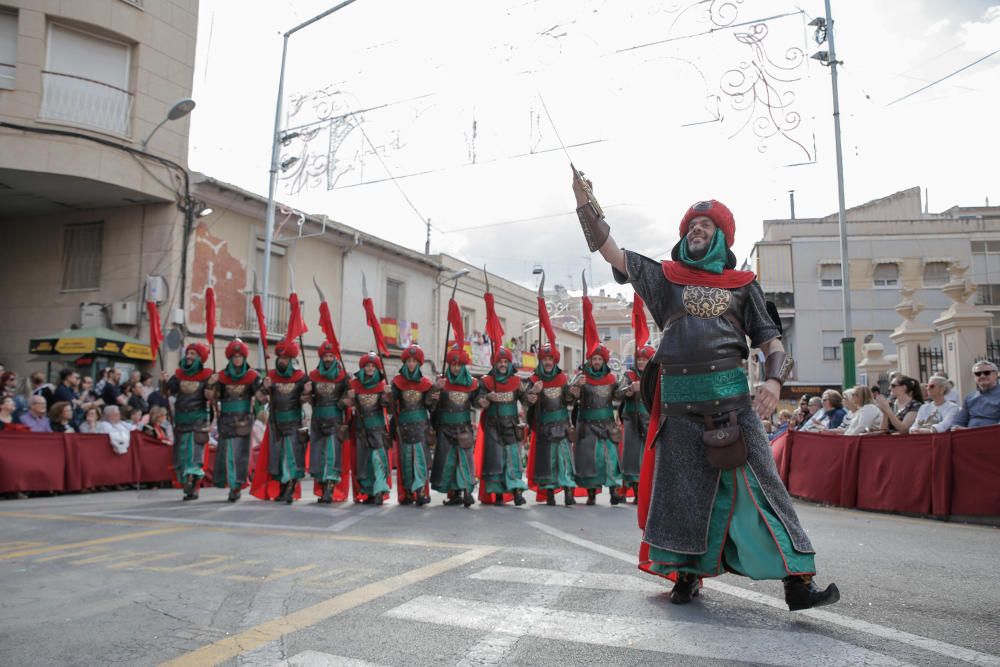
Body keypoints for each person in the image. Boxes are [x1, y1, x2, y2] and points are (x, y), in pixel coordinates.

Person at [575, 177, 837, 611]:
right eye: (692, 224)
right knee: (682, 494)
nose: (696, 230)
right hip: (679, 406)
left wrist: (773, 381)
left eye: (706, 225)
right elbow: (613, 251)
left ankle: (797, 582)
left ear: (721, 237)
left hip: (734, 401)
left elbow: (772, 342)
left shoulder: (743, 284)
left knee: (765, 490)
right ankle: (686, 576)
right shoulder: (664, 279)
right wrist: (586, 207)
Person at [476, 347, 533, 506]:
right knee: (495, 461)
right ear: (495, 363)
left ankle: (516, 492)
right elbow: (477, 400)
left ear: (509, 363)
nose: (502, 364)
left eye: (505, 361)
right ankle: (498, 494)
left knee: (513, 460)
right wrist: (487, 397)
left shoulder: (518, 382)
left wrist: (533, 394)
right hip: (493, 427)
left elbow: (527, 400)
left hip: (511, 427)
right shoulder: (486, 381)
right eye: (500, 362)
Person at [160, 343, 218, 500]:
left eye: (193, 354)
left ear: (200, 357)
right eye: (188, 353)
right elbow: (168, 391)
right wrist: (164, 382)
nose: (189, 356)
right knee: (182, 455)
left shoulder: (207, 374)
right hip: (181, 420)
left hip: (198, 420)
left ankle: (193, 481)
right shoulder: (179, 374)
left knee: (194, 454)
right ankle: (188, 486)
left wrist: (212, 384)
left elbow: (210, 397)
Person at [569, 344, 624, 506]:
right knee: (589, 460)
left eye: (600, 359)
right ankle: (591, 494)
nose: (597, 361)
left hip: (607, 425)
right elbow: (570, 396)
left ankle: (614, 492)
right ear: (590, 361)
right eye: (594, 359)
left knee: (610, 460)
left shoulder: (612, 379)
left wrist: (627, 390)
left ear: (604, 361)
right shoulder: (581, 377)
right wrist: (577, 386)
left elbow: (619, 395)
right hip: (587, 426)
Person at [257, 340, 310, 504]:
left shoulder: (301, 377)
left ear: (291, 360)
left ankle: (290, 487)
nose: (282, 360)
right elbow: (260, 397)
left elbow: (305, 399)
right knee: (278, 457)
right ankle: (282, 486)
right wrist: (265, 388)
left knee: (291, 457)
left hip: (293, 423)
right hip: (276, 423)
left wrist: (308, 392)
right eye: (280, 357)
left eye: (285, 358)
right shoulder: (270, 376)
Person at [524, 343, 577, 506]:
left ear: (554, 361)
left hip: (562, 424)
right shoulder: (534, 379)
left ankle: (569, 492)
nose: (547, 362)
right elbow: (525, 398)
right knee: (548, 461)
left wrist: (574, 393)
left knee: (566, 460)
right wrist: (533, 392)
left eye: (550, 359)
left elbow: (568, 399)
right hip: (544, 427)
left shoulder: (562, 378)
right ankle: (549, 493)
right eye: (545, 359)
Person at [213, 339, 262, 503]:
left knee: (239, 454)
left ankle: (236, 485)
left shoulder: (252, 376)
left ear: (244, 358)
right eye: (234, 357)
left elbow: (261, 397)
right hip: (226, 421)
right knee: (227, 455)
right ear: (230, 358)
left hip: (243, 421)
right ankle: (232, 484)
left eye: (240, 356)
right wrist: (210, 384)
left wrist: (267, 387)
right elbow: (213, 397)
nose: (237, 359)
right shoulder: (221, 376)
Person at [389, 344, 439, 507]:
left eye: (414, 361)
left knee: (420, 460)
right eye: (409, 361)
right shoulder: (397, 382)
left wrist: (434, 397)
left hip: (420, 426)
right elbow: (391, 405)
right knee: (406, 460)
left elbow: (430, 406)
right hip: (403, 426)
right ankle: (408, 492)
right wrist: (387, 395)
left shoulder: (426, 383)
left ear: (419, 364)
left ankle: (420, 491)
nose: (411, 364)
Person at [430, 346, 479, 507]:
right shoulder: (441, 382)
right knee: (449, 463)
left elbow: (477, 402)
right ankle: (454, 495)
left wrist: (484, 400)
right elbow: (429, 404)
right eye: (453, 365)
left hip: (463, 429)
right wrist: (435, 391)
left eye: (459, 365)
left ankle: (467, 492)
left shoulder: (472, 383)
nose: (456, 368)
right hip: (445, 429)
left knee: (464, 462)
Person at [308, 341, 351, 504]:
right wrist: (306, 392)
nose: (328, 359)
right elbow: (307, 397)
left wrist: (342, 402)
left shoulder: (343, 377)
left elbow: (348, 395)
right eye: (325, 356)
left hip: (334, 421)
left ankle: (329, 489)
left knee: (332, 456)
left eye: (331, 356)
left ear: (335, 357)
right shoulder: (313, 376)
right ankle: (322, 484)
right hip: (317, 420)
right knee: (318, 455)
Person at [348, 352, 392, 505]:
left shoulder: (382, 386)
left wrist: (388, 396)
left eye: (373, 366)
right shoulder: (354, 385)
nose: (370, 368)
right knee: (364, 462)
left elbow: (391, 408)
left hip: (377, 429)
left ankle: (380, 490)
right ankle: (368, 492)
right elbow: (344, 404)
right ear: (363, 367)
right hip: (361, 430)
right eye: (367, 365)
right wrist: (349, 398)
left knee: (378, 460)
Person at [616, 344, 655, 502]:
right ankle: (635, 490)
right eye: (638, 359)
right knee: (631, 457)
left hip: (649, 419)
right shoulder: (629, 375)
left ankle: (648, 491)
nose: (640, 362)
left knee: (648, 456)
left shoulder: (654, 374)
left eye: (644, 359)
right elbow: (618, 392)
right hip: (632, 419)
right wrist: (630, 390)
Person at [952, 360, 1000, 429]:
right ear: (974, 377)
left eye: (987, 373)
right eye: (978, 374)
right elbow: (958, 422)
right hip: (969, 436)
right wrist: (956, 427)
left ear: (995, 375)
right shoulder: (969, 398)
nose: (982, 376)